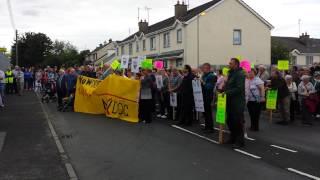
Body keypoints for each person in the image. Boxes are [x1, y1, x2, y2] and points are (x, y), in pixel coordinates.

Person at [224, 58, 246, 148]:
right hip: (229, 101)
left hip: (237, 102)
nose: (229, 64)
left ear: (236, 64)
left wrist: (227, 93)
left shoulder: (240, 74)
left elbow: (239, 88)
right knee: (230, 121)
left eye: (231, 63)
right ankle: (232, 137)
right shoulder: (231, 73)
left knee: (237, 122)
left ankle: (240, 141)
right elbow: (229, 86)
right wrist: (223, 90)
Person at [201, 63, 217, 132]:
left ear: (208, 68)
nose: (202, 69)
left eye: (204, 68)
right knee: (205, 112)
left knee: (208, 112)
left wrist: (202, 82)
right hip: (204, 96)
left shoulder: (211, 76)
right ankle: (207, 126)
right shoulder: (204, 75)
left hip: (208, 96)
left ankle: (210, 128)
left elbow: (209, 87)